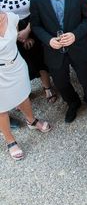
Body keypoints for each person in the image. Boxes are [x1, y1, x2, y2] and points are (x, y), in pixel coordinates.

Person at [30, 0, 87, 123]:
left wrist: (75, 34)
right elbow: (36, 26)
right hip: (53, 48)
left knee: (86, 78)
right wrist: (48, 40)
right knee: (60, 82)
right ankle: (73, 102)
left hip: (78, 45)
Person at [0, 0, 55, 102]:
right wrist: (19, 35)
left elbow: (40, 5)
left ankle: (47, 87)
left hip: (33, 22)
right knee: (20, 61)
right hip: (10, 29)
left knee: (40, 56)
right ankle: (23, 91)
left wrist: (28, 30)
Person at [0, 9, 52, 161]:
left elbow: (15, 37)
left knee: (23, 96)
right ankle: (10, 140)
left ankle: (32, 121)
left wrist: (24, 39)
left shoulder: (11, 18)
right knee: (2, 107)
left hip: (17, 66)